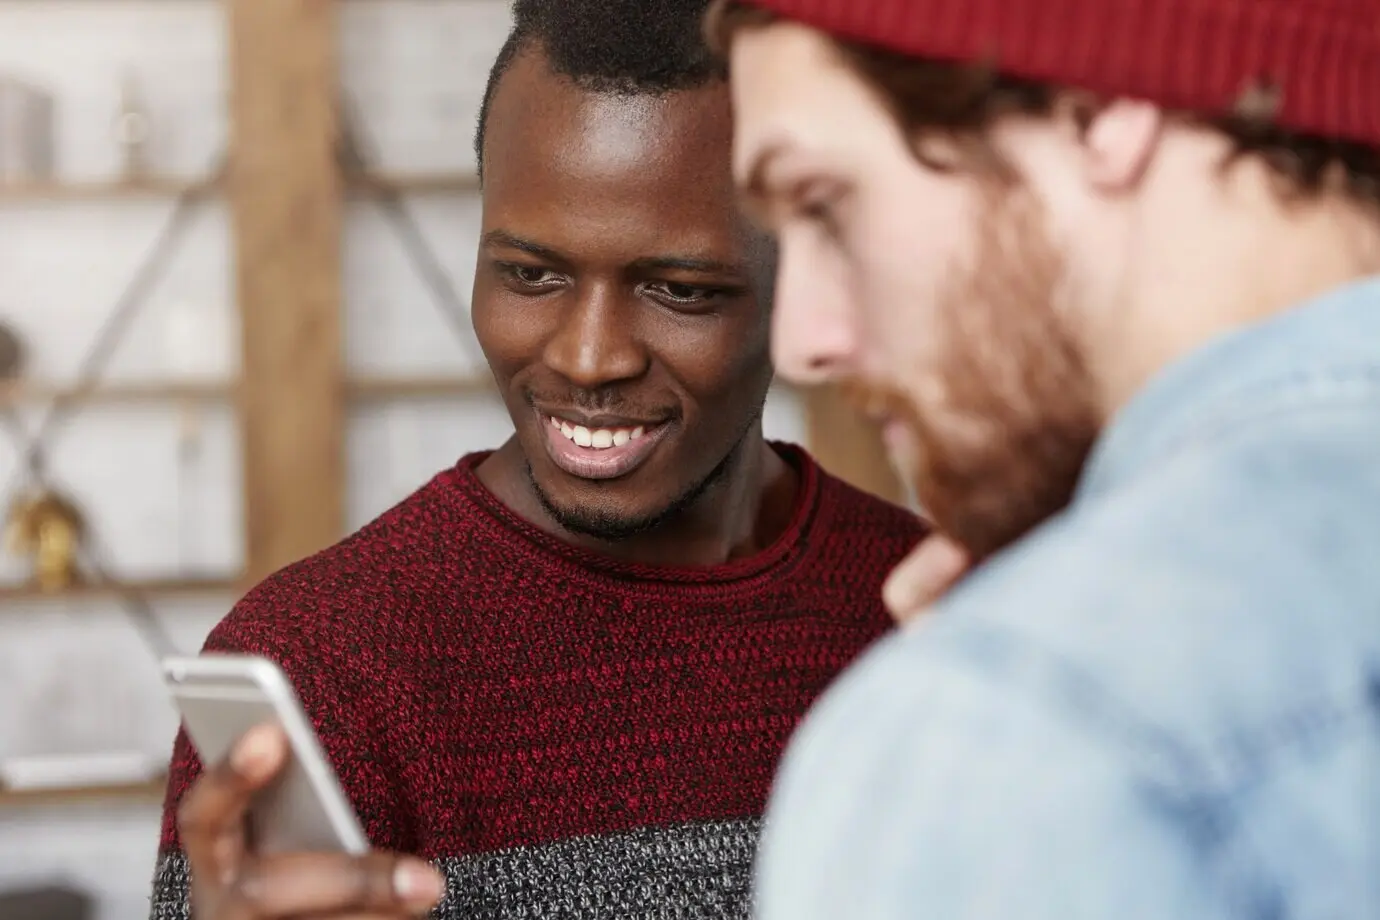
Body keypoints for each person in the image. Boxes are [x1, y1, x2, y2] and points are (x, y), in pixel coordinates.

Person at [145, 1, 929, 918]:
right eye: (530, 275)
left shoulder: (926, 607)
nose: (588, 359)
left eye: (680, 290)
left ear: (807, 281)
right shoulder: (327, 668)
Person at [708, 0, 1380, 917]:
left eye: (824, 204)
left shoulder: (1016, 728)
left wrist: (976, 726)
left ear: (1098, 109)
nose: (800, 342)